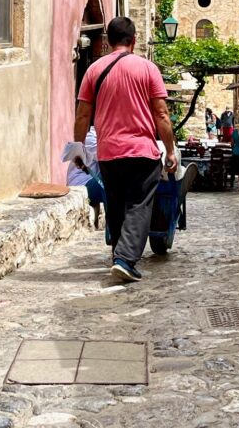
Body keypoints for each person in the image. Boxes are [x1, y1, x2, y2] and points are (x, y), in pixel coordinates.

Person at [74, 17, 177, 283]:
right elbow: (161, 114)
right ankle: (125, 259)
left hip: (108, 152)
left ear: (107, 41)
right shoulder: (147, 69)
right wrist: (170, 149)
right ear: (133, 40)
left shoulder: (93, 71)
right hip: (142, 150)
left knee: (117, 204)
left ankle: (118, 255)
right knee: (139, 205)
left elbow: (83, 115)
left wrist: (78, 149)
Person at [63, 127, 105, 229]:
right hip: (82, 184)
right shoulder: (90, 136)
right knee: (113, 176)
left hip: (94, 181)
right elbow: (107, 157)